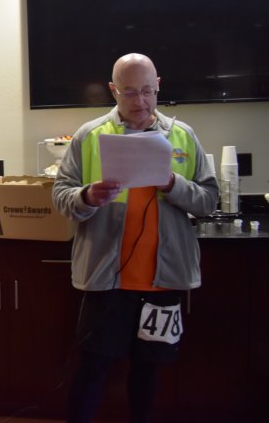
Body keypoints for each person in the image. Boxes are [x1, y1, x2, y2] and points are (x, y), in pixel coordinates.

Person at [52, 53, 219, 423]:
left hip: (164, 281)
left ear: (158, 85)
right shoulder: (90, 135)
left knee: (147, 372)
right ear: (113, 90)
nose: (140, 101)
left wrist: (173, 184)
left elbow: (209, 200)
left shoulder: (183, 135)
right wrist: (87, 196)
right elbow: (61, 197)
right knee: (91, 369)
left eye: (147, 91)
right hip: (105, 281)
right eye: (129, 92)